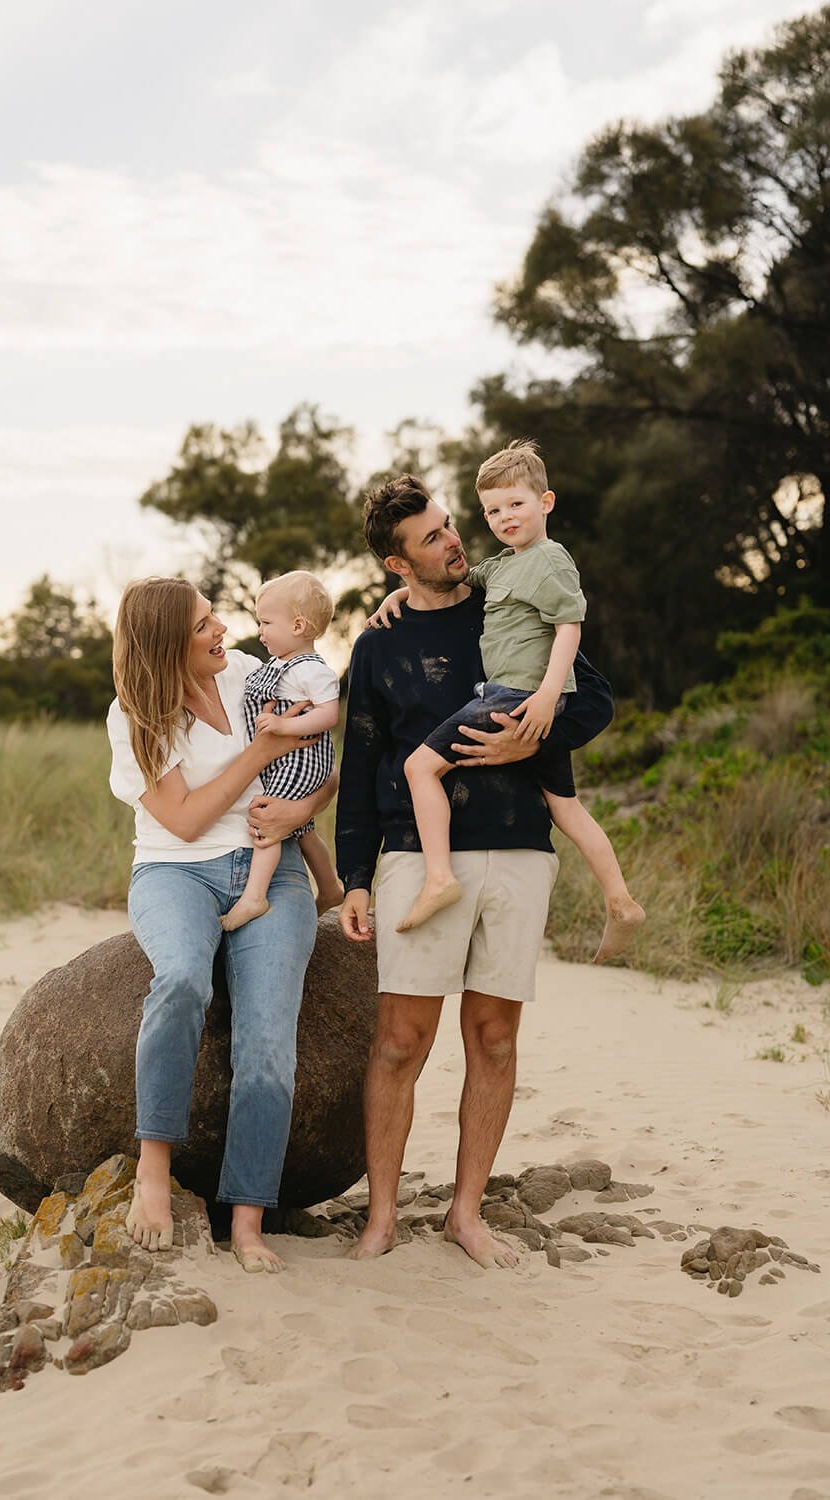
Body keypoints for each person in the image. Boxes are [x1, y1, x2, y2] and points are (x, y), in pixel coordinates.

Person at [335, 475, 614, 1266]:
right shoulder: (379, 644)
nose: (455, 541)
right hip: (417, 857)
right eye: (432, 537)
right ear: (398, 565)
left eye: (451, 524)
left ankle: (466, 1213)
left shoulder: (510, 603)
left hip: (521, 845)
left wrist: (532, 738)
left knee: (493, 1039)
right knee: (398, 1041)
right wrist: (354, 877)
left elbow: (593, 701)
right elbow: (359, 768)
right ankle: (382, 1219)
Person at [107, 576, 335, 1273]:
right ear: (167, 642)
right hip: (175, 873)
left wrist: (301, 812)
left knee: (268, 1037)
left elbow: (319, 765)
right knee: (179, 980)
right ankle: (154, 1170)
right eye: (205, 624)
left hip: (273, 865)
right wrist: (260, 755)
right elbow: (184, 818)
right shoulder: (135, 716)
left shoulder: (251, 675)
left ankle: (247, 1218)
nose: (223, 632)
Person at [374, 440, 644, 963]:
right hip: (524, 698)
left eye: (516, 504)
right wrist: (398, 593)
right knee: (566, 806)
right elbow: (449, 581)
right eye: (492, 510)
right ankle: (620, 900)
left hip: (516, 696)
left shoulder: (550, 561)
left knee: (419, 768)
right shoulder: (501, 568)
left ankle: (437, 878)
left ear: (546, 502)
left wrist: (544, 699)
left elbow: (570, 627)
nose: (503, 517)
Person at [221, 570, 344, 932]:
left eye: (265, 622)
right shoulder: (278, 663)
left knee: (268, 819)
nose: (260, 630)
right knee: (304, 828)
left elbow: (328, 714)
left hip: (302, 757)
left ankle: (255, 897)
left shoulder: (312, 669)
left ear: (297, 625)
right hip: (285, 757)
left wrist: (283, 727)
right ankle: (330, 886)